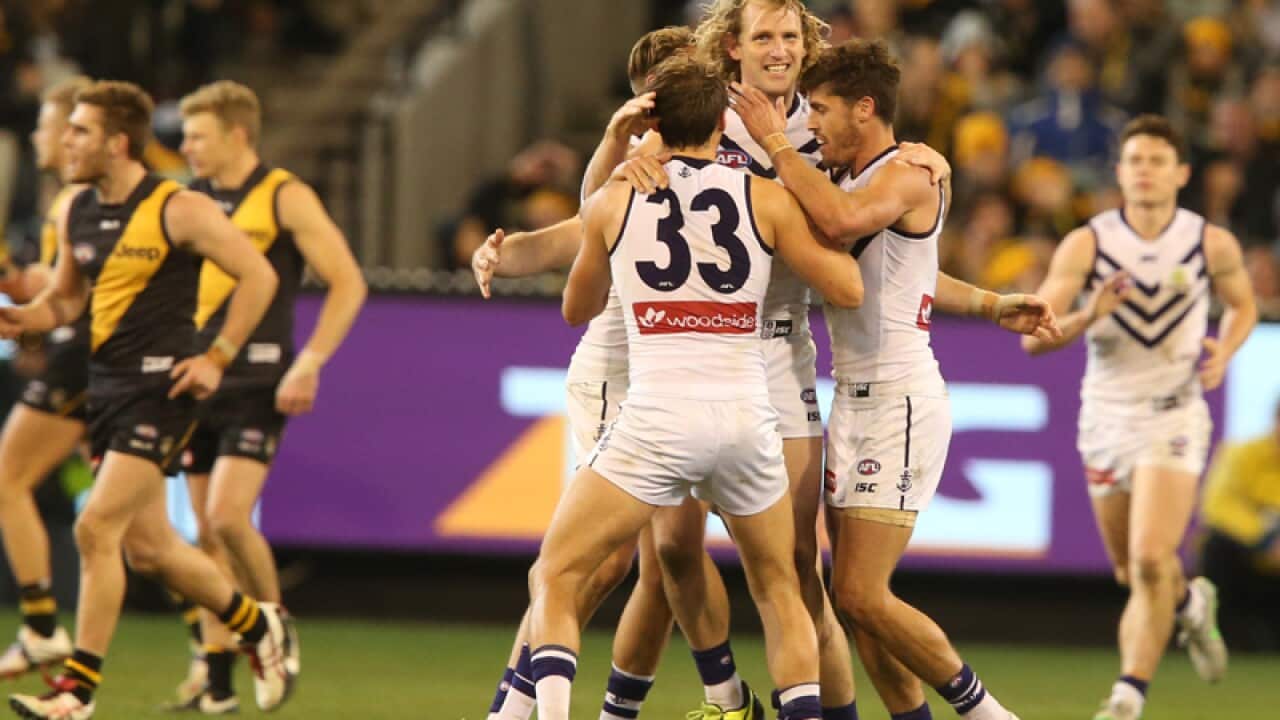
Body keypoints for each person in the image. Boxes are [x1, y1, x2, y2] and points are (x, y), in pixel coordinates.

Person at [529, 53, 865, 720]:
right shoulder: (766, 198)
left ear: (653, 122)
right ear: (720, 125)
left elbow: (577, 309)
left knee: (556, 575)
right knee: (780, 590)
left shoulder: (615, 200)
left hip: (658, 418)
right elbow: (848, 288)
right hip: (746, 419)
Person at [728, 39, 1053, 720]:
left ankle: (988, 714)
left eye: (822, 109)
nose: (812, 123)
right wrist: (990, 303)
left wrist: (776, 145)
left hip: (899, 402)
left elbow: (843, 222)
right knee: (860, 610)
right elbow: (910, 271)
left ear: (864, 108)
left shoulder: (907, 174)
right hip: (852, 400)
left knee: (860, 593)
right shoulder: (857, 178)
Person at [0, 80, 295, 719]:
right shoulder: (78, 209)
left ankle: (76, 692)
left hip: (161, 393)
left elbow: (260, 274)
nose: (66, 140)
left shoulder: (177, 207)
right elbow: (66, 301)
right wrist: (25, 317)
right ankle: (259, 624)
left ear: (116, 143)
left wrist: (218, 356)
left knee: (94, 527)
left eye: (79, 130)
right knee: (150, 550)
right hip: (104, 391)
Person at [1023, 113, 1257, 720]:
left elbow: (1244, 306)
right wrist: (1089, 314)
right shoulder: (1088, 244)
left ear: (1181, 173)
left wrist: (1226, 350)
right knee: (1133, 571)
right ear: (1120, 172)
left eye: (1157, 160)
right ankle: (1189, 604)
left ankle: (1127, 696)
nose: (1145, 171)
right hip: (1106, 417)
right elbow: (1034, 338)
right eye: (1135, 161)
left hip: (1173, 413)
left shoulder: (1209, 242)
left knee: (1153, 556)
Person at [169, 79, 365, 712]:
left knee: (229, 517)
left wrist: (309, 362)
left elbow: (347, 282)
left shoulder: (284, 195)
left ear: (237, 135)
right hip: (197, 378)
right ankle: (218, 681)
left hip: (256, 381)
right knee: (206, 534)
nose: (186, 147)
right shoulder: (190, 200)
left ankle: (273, 625)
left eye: (198, 136)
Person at [0, 75, 90, 680]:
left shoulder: (79, 201)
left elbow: (68, 299)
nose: (39, 136)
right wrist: (16, 282)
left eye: (47, 125)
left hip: (87, 358)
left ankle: (40, 627)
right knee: (140, 537)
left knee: (7, 479)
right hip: (95, 359)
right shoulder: (68, 201)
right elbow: (55, 287)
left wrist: (31, 312)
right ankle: (236, 633)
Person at [1199, 398, 1280, 651]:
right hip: (1247, 557)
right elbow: (1218, 506)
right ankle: (1215, 635)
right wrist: (1266, 540)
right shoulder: (1241, 454)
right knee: (1216, 545)